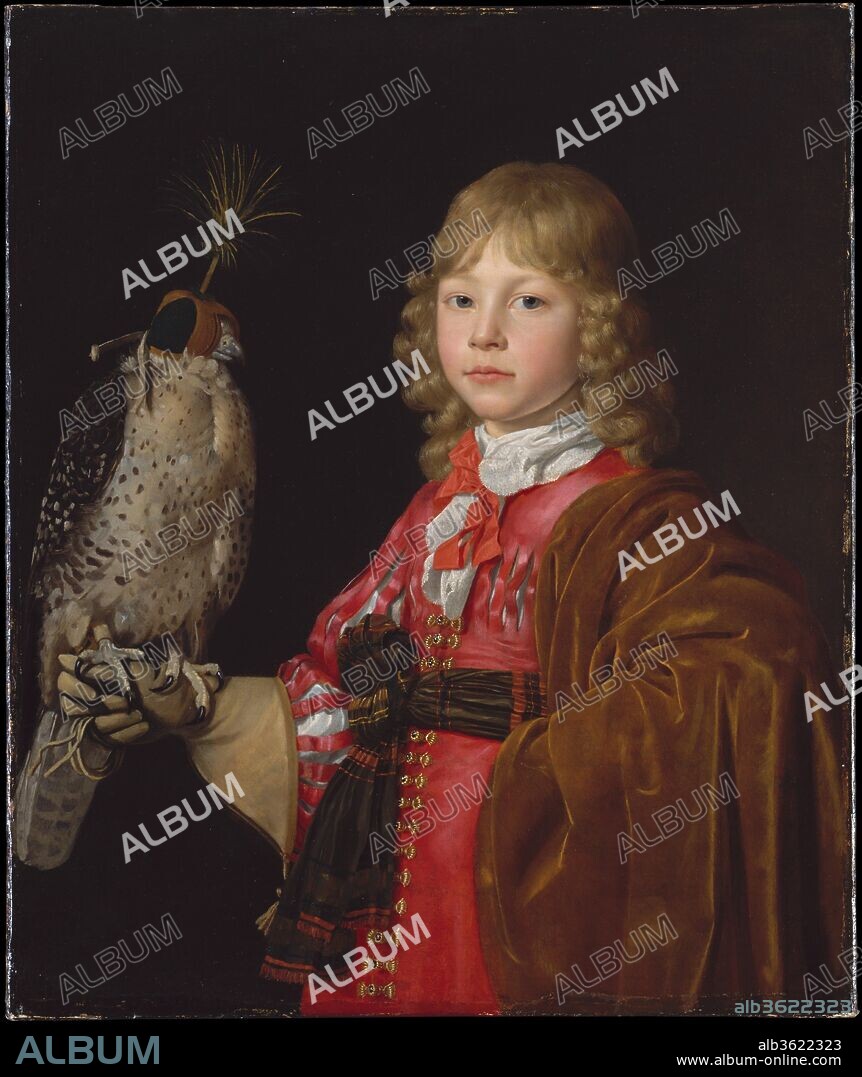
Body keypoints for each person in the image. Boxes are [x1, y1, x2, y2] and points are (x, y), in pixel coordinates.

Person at [55, 161, 849, 1017]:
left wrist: (533, 760)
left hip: (522, 909)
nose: (486, 332)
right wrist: (197, 707)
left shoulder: (636, 515)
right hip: (381, 897)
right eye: (462, 298)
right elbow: (337, 694)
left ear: (602, 327)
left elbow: (745, 678)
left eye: (530, 301)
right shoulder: (436, 510)